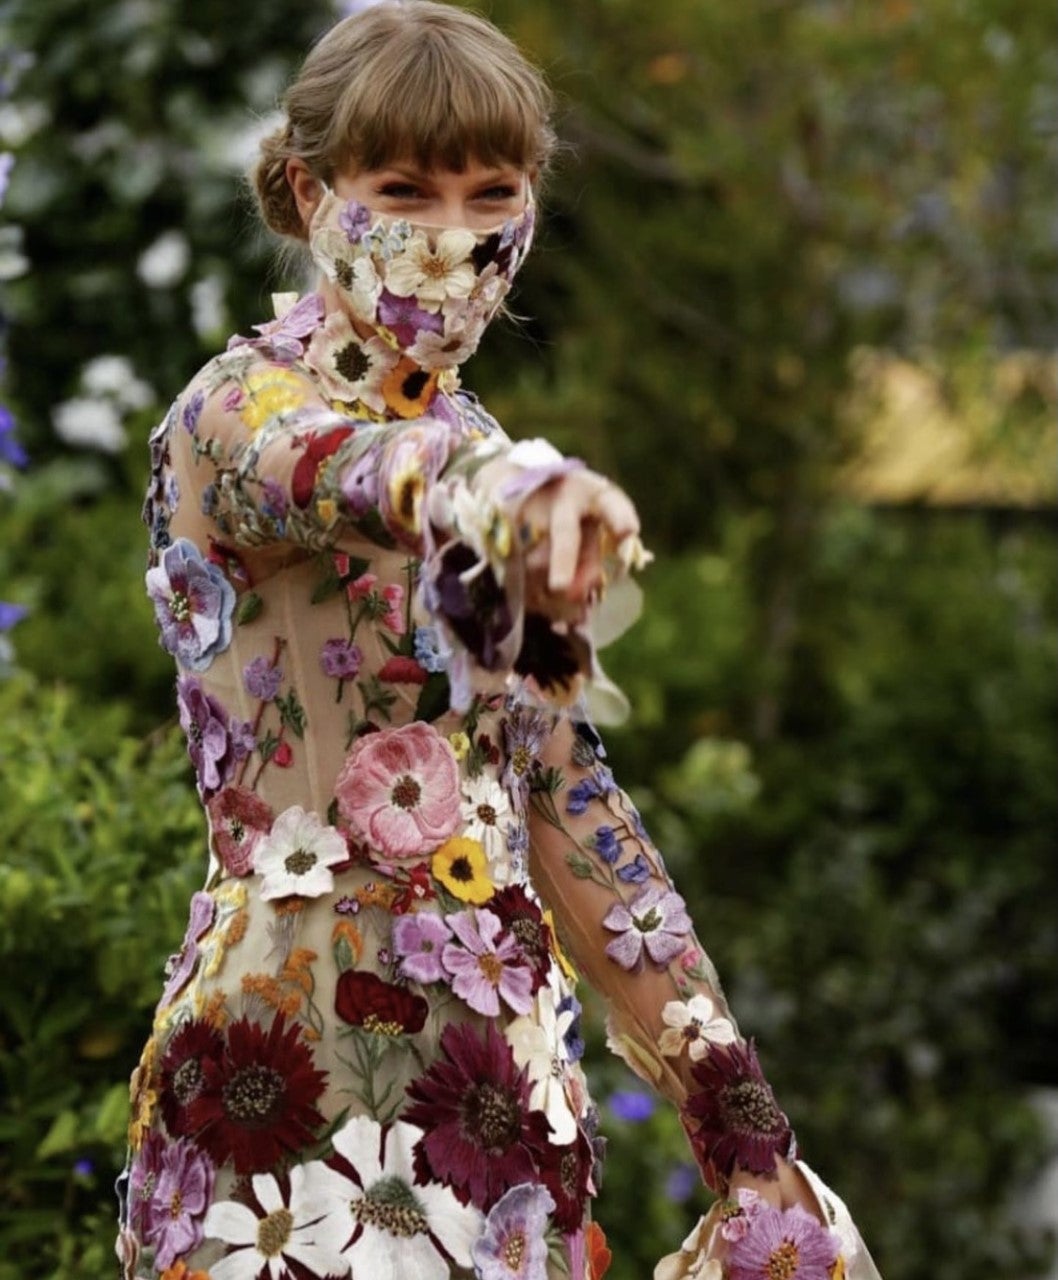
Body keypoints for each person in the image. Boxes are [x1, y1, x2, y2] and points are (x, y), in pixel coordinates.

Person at [117, 4, 881, 1279]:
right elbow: (347, 467)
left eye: (492, 190)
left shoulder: (483, 440)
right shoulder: (235, 411)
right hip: (281, 1103)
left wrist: (740, 1127)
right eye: (403, 187)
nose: (455, 233)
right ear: (310, 194)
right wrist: (498, 496)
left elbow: (563, 797)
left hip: (501, 1101)